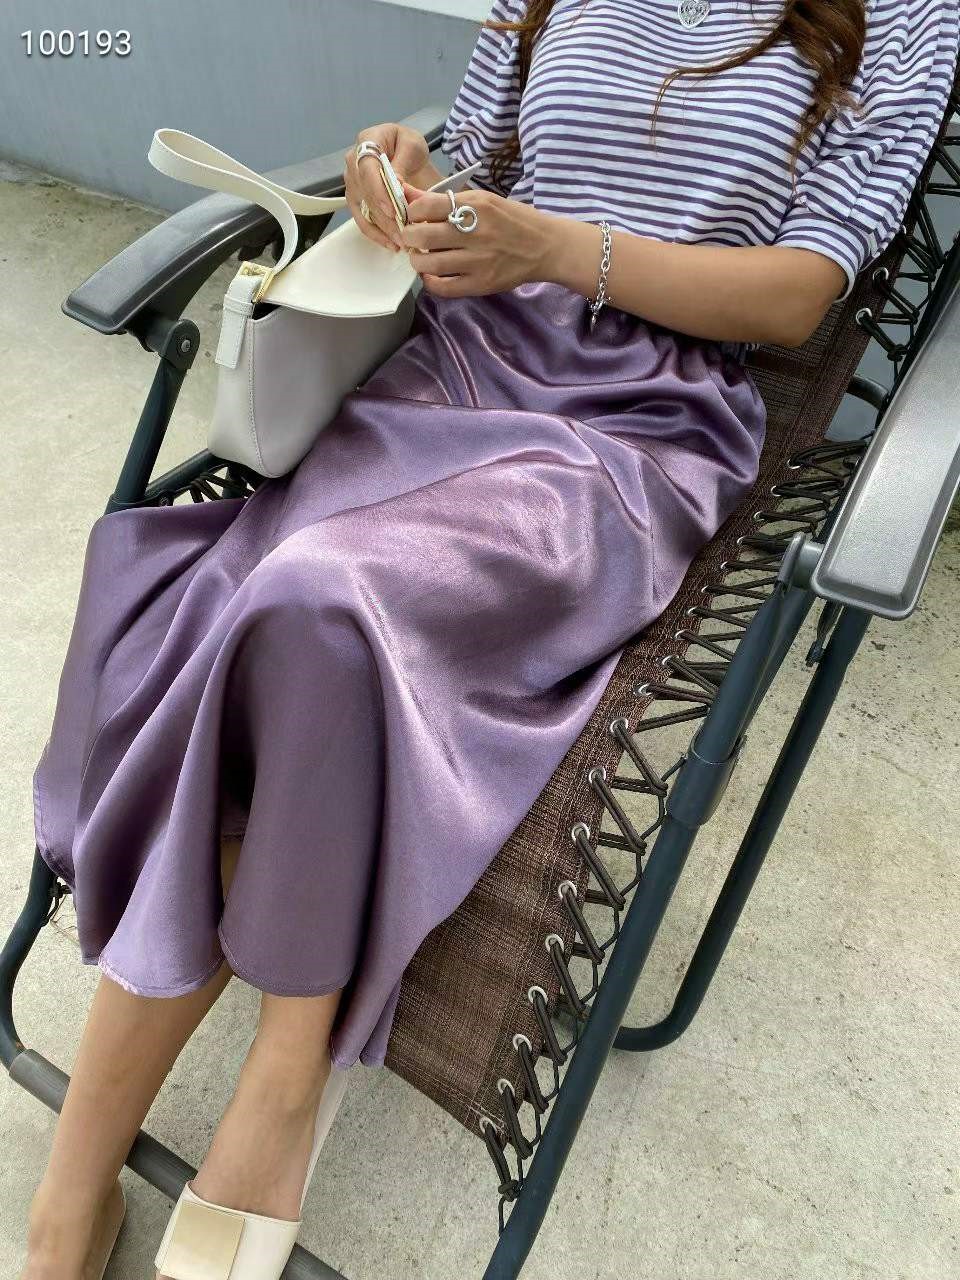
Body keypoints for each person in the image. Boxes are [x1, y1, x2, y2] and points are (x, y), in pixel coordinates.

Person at [20, 1, 958, 1277]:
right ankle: (76, 1192)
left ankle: (285, 1074)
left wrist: (557, 249)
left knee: (307, 599)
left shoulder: (900, 15)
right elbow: (485, 159)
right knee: (270, 619)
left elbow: (801, 298)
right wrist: (403, 171)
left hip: (629, 435)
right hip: (450, 372)